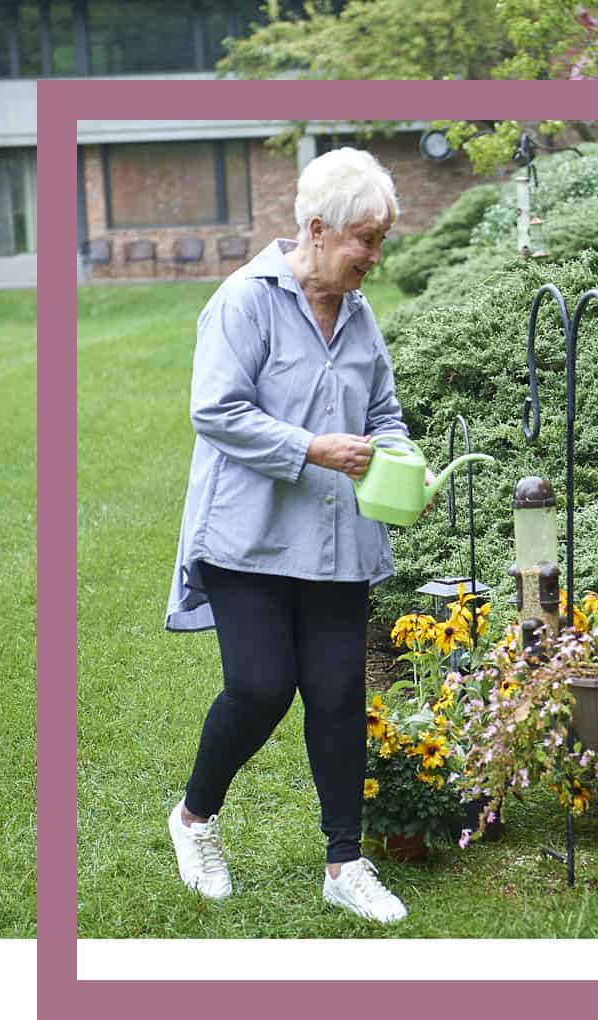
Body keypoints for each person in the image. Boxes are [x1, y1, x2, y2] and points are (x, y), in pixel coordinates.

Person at [165, 147, 426, 924]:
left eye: (381, 240)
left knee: (341, 693)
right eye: (366, 241)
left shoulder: (359, 314)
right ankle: (194, 818)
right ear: (318, 229)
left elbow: (383, 414)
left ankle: (344, 862)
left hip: (336, 537)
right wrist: (312, 447)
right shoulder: (243, 302)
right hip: (247, 533)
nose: (375, 257)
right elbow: (216, 410)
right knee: (260, 686)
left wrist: (402, 459)